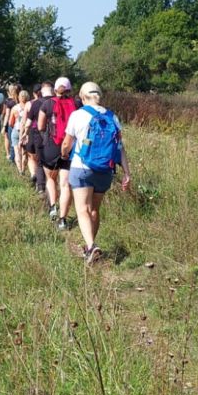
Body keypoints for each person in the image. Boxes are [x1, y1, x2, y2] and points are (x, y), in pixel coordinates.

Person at [62, 81, 132, 264]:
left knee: (82, 209)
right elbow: (120, 147)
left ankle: (91, 246)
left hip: (82, 167)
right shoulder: (112, 117)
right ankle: (90, 247)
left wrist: (63, 153)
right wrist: (127, 172)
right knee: (94, 209)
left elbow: (67, 144)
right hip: (105, 170)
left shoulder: (77, 115)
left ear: (83, 97)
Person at [36, 77, 80, 230]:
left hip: (51, 146)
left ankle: (53, 207)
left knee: (50, 179)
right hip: (70, 146)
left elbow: (41, 126)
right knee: (65, 184)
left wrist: (47, 136)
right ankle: (63, 220)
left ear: (55, 89)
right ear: (70, 89)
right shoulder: (77, 104)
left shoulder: (47, 104)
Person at [21, 82, 53, 198]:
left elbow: (28, 123)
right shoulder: (57, 102)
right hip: (55, 137)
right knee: (54, 165)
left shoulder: (35, 104)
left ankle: (41, 188)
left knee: (40, 162)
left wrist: (24, 134)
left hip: (38, 135)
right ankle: (53, 188)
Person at [9, 89, 31, 174]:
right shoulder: (29, 107)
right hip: (26, 132)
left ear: (19, 97)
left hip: (16, 130)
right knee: (24, 152)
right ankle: (23, 170)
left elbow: (10, 122)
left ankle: (19, 171)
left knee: (16, 152)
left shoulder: (15, 108)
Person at [2, 84, 20, 166]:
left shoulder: (8, 102)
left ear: (8, 92)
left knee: (10, 140)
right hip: (19, 123)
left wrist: (4, 126)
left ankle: (11, 157)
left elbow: (7, 114)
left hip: (11, 123)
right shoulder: (19, 100)